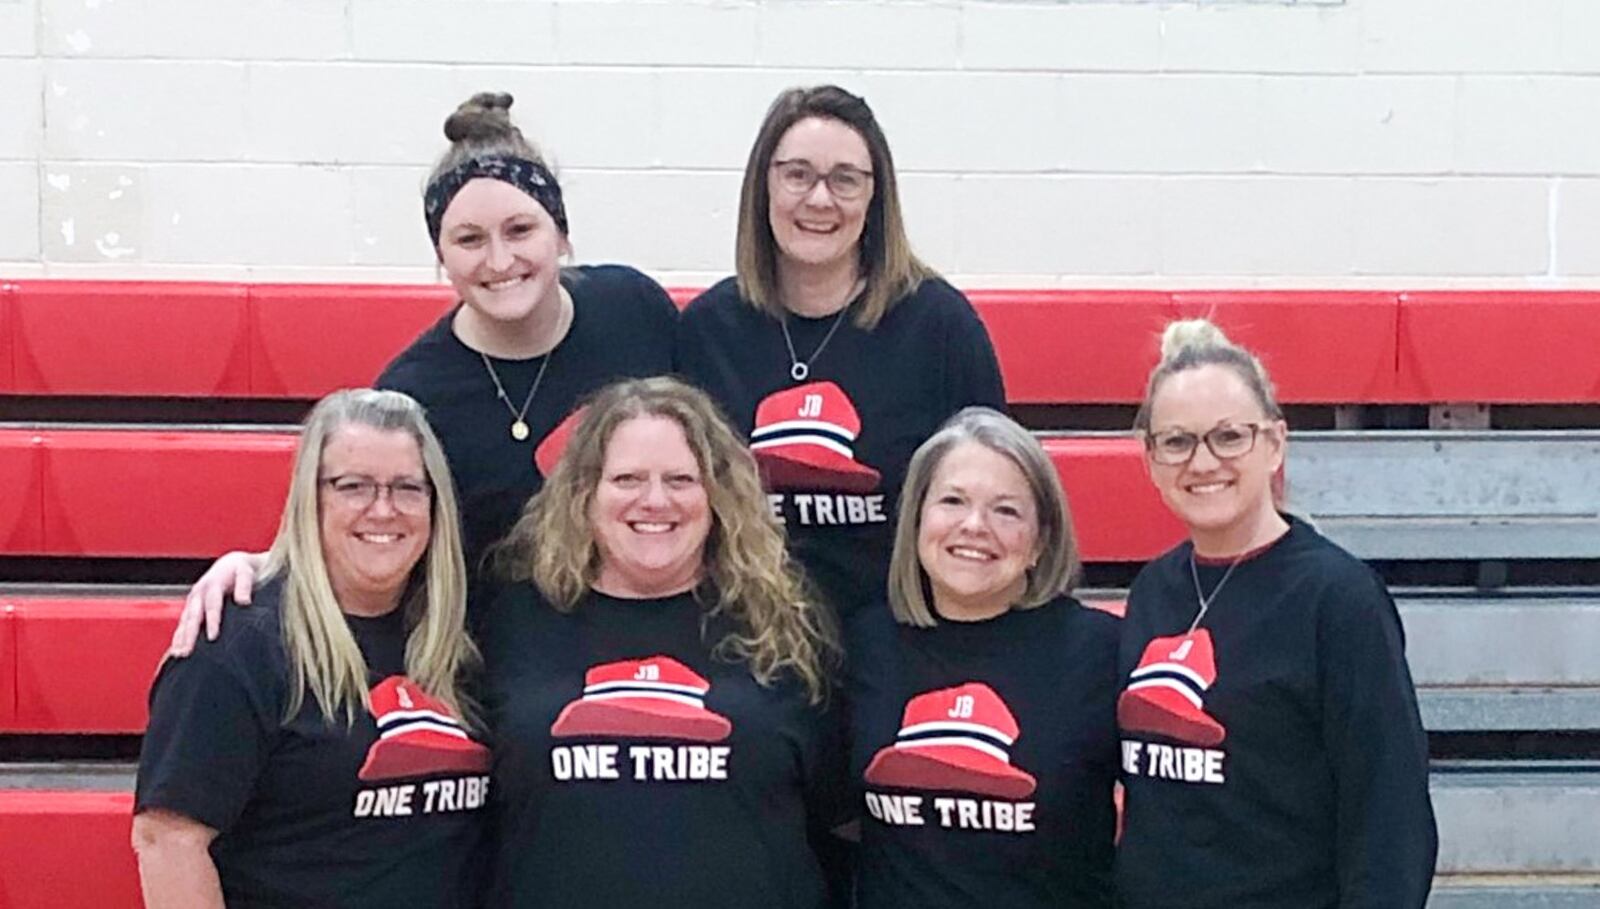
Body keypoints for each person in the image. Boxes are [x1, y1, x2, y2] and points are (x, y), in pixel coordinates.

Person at [170, 90, 678, 652]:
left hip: (652, 629)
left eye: (520, 230)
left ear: (560, 233)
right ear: (440, 254)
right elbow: (363, 527)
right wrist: (255, 563)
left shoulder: (635, 312)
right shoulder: (413, 393)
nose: (500, 261)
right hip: (498, 663)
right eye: (469, 240)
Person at [478, 376, 845, 908]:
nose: (655, 500)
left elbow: (836, 812)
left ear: (716, 494)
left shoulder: (786, 622)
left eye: (680, 479)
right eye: (627, 479)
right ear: (585, 493)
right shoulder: (515, 618)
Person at [1115, 319, 1437, 907]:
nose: (1203, 461)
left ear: (1275, 443)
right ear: (1151, 458)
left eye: (1229, 436)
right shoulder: (1154, 590)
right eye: (1177, 441)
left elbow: (1390, 815)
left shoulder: (1337, 598)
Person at [132, 389, 488, 908]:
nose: (383, 509)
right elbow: (168, 839)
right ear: (311, 496)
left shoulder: (461, 637)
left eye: (408, 488)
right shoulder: (237, 644)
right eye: (353, 486)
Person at [676, 84, 1006, 622]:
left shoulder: (939, 326)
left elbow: (996, 490)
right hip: (744, 631)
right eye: (797, 174)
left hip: (900, 629)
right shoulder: (707, 331)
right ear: (764, 185)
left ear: (877, 197)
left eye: (845, 180)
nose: (820, 199)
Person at [846, 407, 1118, 909]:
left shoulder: (1100, 651)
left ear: (1040, 541)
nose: (975, 526)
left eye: (1006, 511)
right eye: (952, 501)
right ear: (917, 518)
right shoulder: (865, 644)